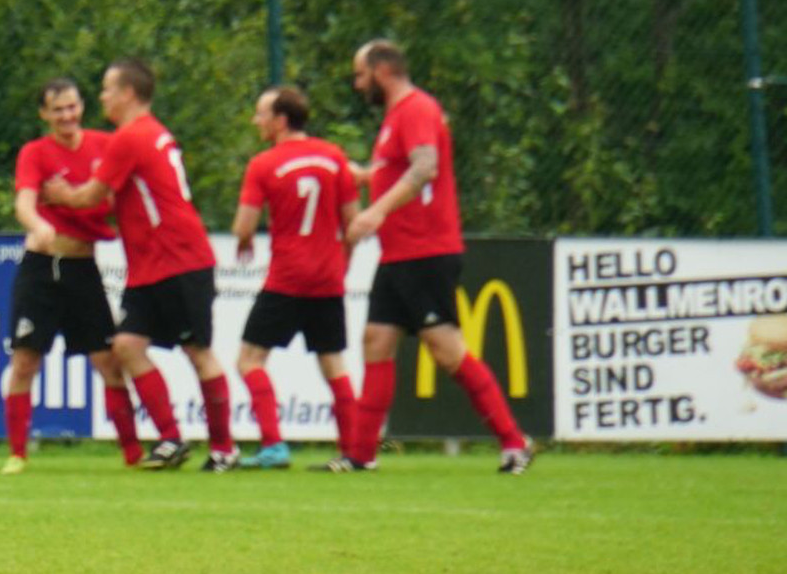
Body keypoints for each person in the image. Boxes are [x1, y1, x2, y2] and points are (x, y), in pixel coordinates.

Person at [336, 40, 535, 473]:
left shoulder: (416, 109)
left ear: (383, 69)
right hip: (399, 254)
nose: (357, 84)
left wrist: (375, 210)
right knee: (376, 340)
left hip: (426, 251)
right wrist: (366, 175)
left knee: (446, 350)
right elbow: (403, 169)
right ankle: (360, 456)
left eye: (360, 74)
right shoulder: (396, 117)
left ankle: (514, 442)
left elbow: (425, 167)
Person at [44, 59, 237, 471]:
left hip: (179, 258)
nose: (102, 97)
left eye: (107, 89)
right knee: (127, 346)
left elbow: (91, 195)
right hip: (152, 264)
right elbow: (121, 198)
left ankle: (224, 449)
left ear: (128, 93)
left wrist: (58, 195)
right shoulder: (151, 135)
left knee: (198, 352)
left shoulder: (130, 137)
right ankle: (171, 440)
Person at [1, 77, 141, 475]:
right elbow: (25, 202)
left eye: (72, 106)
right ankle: (17, 454)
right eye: (57, 109)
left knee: (108, 360)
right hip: (41, 268)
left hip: (83, 268)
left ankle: (133, 453)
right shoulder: (35, 153)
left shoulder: (105, 145)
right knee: (26, 360)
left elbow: (117, 196)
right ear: (44, 114)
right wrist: (39, 225)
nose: (67, 115)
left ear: (82, 107)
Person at [230, 87, 360, 468]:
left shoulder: (264, 164)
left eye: (261, 115)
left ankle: (273, 445)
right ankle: (352, 452)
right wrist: (342, 261)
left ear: (281, 120)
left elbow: (242, 225)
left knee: (250, 360)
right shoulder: (335, 158)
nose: (257, 122)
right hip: (327, 279)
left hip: (286, 278)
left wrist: (244, 240)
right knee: (333, 362)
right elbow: (353, 224)